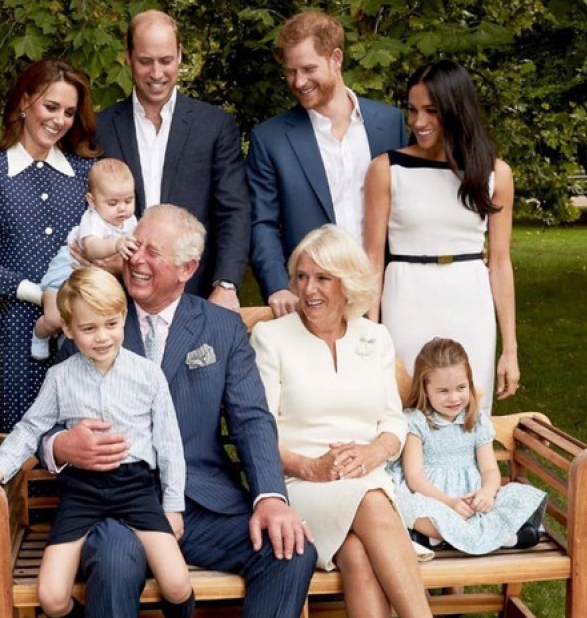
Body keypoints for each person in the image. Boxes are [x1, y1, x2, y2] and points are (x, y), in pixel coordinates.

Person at [40, 204, 317, 618]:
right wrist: (62, 446)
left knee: (289, 552)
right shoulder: (95, 322)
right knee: (115, 558)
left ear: (187, 268)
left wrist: (270, 497)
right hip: (115, 505)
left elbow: (252, 420)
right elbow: (46, 422)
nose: (136, 259)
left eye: (153, 252)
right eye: (136, 246)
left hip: (202, 506)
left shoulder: (221, 330)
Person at [0, 267, 193, 618]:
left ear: (123, 318)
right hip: (81, 493)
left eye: (111, 324)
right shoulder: (60, 377)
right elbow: (30, 429)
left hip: (134, 489)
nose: (102, 337)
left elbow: (169, 444)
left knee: (177, 585)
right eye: (88, 328)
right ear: (68, 329)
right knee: (52, 598)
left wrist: (172, 505)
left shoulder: (147, 375)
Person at [250, 225, 433, 618]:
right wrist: (308, 467)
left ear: (346, 284)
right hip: (300, 484)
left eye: (322, 278)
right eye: (301, 277)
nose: (309, 289)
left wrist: (374, 452)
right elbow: (258, 431)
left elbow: (393, 420)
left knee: (357, 553)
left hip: (367, 476)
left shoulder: (375, 337)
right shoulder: (271, 338)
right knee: (370, 502)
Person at [364, 59, 518, 416]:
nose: (418, 122)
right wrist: (369, 336)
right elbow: (372, 259)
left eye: (431, 111)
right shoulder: (386, 169)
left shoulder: (496, 174)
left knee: (469, 411)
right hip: (406, 297)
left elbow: (499, 263)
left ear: (455, 109)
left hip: (470, 300)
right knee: (406, 404)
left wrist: (509, 349)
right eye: (413, 110)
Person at [0, 59, 100, 433]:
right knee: (21, 436)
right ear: (25, 102)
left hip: (85, 323)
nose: (59, 120)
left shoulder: (86, 172)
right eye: (50, 106)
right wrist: (39, 296)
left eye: (69, 112)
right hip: (23, 325)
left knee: (83, 433)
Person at [247, 10, 408, 317]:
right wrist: (278, 285)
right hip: (310, 300)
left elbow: (408, 202)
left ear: (336, 58)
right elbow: (261, 224)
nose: (299, 81)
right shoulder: (270, 139)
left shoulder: (389, 124)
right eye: (291, 71)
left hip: (385, 293)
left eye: (308, 69)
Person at [94, 9, 250, 311]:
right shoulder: (100, 128)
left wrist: (227, 283)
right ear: (127, 57)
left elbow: (233, 210)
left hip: (197, 293)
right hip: (116, 296)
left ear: (179, 55)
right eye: (145, 61)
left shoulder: (215, 126)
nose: (156, 73)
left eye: (165, 60)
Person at [388, 337, 546, 554]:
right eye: (443, 391)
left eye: (461, 387)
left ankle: (438, 539)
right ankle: (503, 538)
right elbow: (414, 477)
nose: (454, 398)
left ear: (469, 383)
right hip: (433, 497)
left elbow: (489, 469)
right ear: (425, 389)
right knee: (408, 506)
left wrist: (487, 493)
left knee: (515, 496)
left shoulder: (476, 420)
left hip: (472, 497)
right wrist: (448, 502)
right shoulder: (416, 421)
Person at [31, 159, 137, 360]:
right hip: (65, 272)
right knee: (55, 319)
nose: (122, 209)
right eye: (113, 203)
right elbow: (91, 249)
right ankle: (40, 334)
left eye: (128, 201)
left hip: (92, 280)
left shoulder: (129, 220)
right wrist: (116, 244)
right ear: (91, 200)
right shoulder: (92, 219)